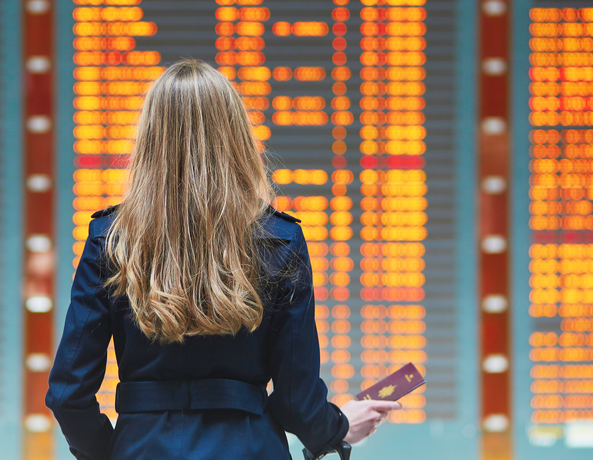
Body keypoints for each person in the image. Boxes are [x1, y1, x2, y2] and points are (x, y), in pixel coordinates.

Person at [46, 59, 401, 460]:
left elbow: (68, 396)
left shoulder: (110, 239)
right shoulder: (280, 240)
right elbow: (294, 400)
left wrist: (115, 451)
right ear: (235, 135)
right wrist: (338, 426)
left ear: (148, 139)